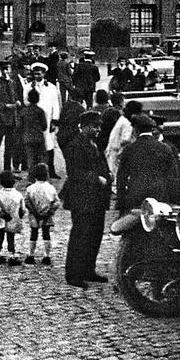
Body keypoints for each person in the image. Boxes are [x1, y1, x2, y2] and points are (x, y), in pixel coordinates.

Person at [60, 111, 111, 288]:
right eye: (95, 126)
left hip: (96, 198)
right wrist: (97, 178)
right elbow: (75, 172)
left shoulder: (93, 144)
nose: (98, 129)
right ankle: (73, 274)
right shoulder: (75, 146)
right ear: (85, 126)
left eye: (99, 126)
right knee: (81, 235)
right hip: (82, 198)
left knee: (95, 235)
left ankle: (89, 269)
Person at [115, 117, 180, 213]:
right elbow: (173, 176)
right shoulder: (165, 148)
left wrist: (120, 201)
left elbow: (121, 177)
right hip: (159, 195)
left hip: (136, 194)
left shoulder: (129, 149)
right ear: (152, 130)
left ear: (135, 130)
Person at [0, 62, 21, 178]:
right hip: (0, 120)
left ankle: (7, 173)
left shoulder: (14, 83)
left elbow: (17, 98)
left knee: (9, 148)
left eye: (8, 69)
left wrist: (17, 103)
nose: (6, 72)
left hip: (12, 121)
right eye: (4, 69)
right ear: (0, 70)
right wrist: (6, 106)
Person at [24, 162, 60, 265]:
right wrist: (50, 211)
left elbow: (27, 201)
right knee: (46, 234)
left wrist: (34, 211)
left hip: (34, 215)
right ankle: (46, 256)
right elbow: (56, 202)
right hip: (46, 214)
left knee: (33, 234)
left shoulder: (30, 188)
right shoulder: (51, 188)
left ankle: (31, 255)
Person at [0, 170, 24, 265]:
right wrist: (20, 217)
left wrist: (0, 213)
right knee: (11, 237)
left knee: (0, 236)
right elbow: (23, 209)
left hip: (0, 219)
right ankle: (11, 255)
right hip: (13, 219)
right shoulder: (18, 194)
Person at [106, 100, 142, 175]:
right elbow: (125, 140)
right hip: (117, 154)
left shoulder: (122, 119)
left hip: (113, 152)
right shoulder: (127, 123)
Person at [18, 89, 48, 174]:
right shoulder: (40, 111)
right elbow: (44, 126)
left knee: (30, 160)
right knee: (41, 160)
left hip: (27, 138)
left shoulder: (23, 111)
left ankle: (30, 179)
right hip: (39, 138)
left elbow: (19, 126)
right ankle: (41, 178)